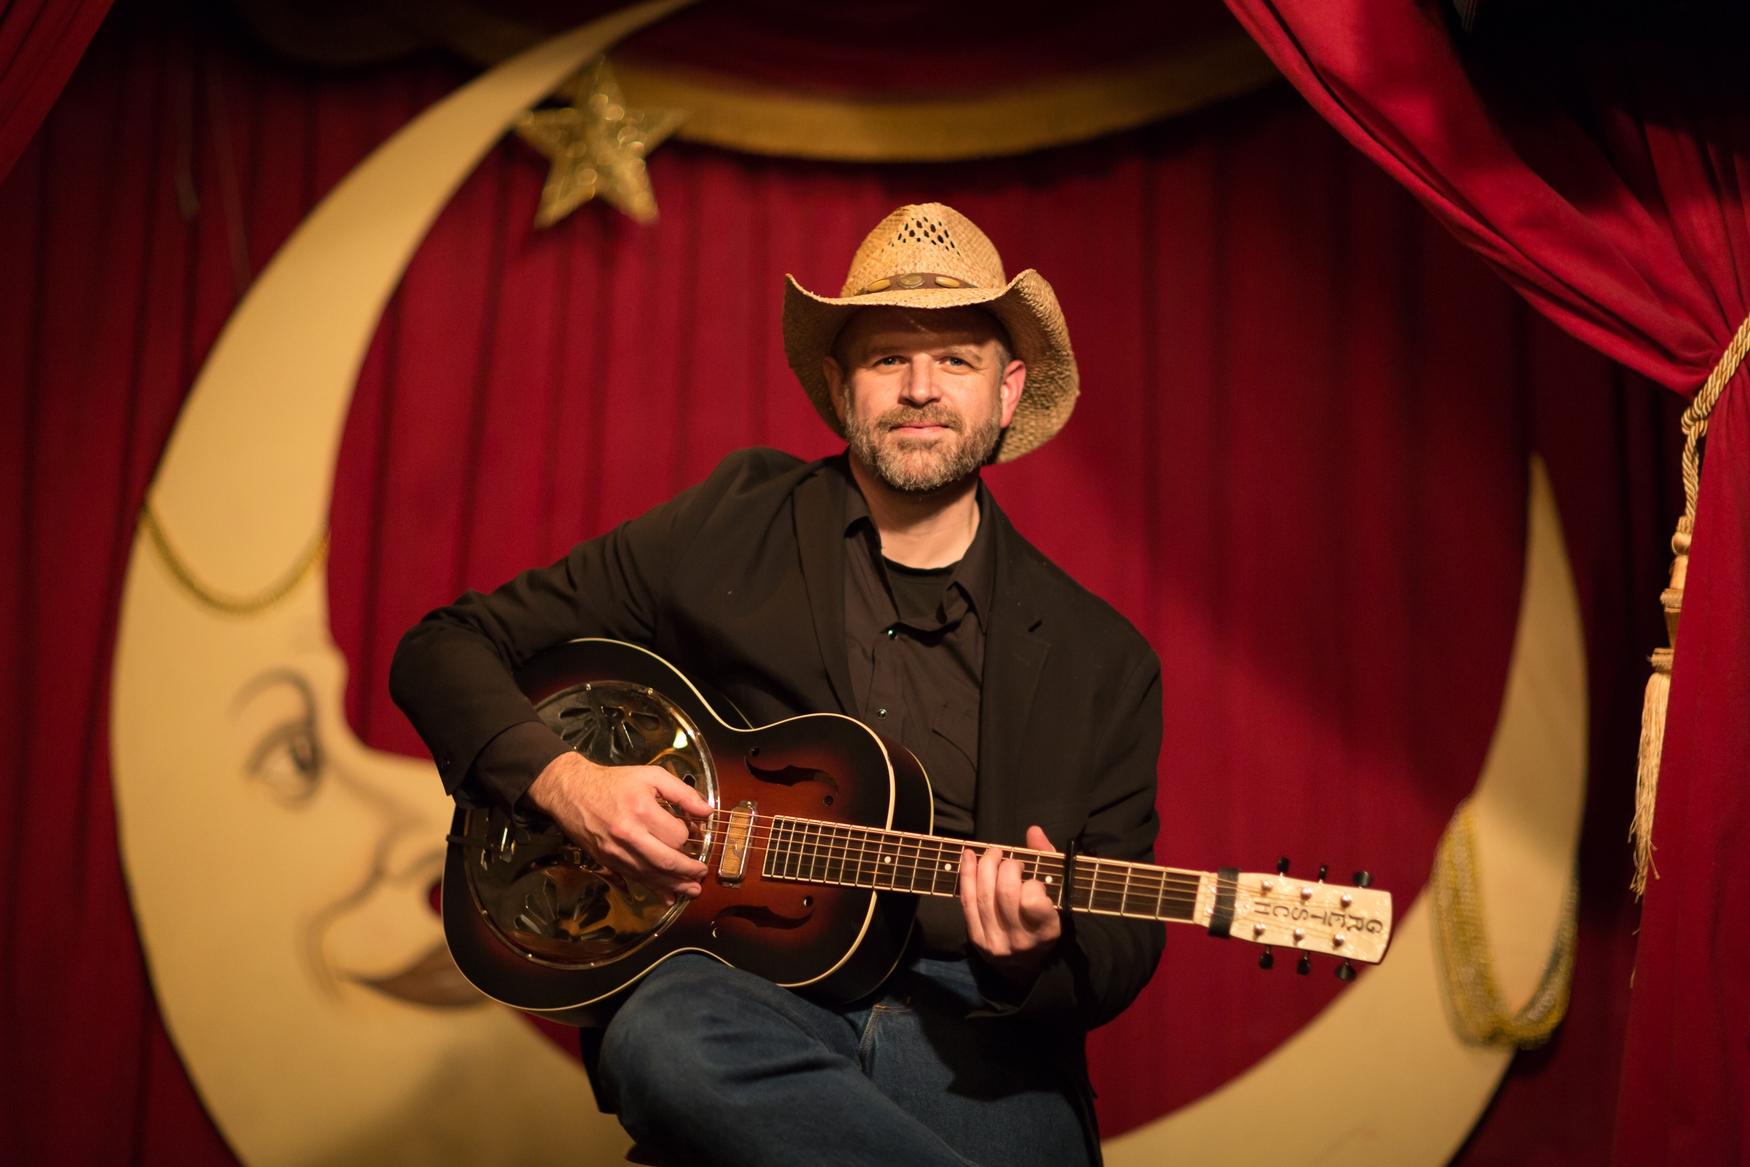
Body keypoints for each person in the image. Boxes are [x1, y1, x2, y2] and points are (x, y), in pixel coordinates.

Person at [390, 203, 1165, 1166]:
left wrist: (1035, 947)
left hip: (977, 1031)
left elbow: (1126, 940)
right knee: (664, 1042)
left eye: (956, 361)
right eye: (888, 359)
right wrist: (566, 782)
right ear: (841, 386)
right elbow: (443, 647)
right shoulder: (729, 521)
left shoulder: (1105, 660)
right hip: (741, 1003)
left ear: (1008, 392)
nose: (920, 389)